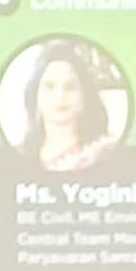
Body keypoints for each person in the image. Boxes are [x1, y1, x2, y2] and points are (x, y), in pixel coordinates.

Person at [17, 40, 119, 173]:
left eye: (70, 87)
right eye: (49, 86)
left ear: (84, 97)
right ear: (35, 95)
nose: (60, 97)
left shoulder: (106, 153)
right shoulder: (15, 157)